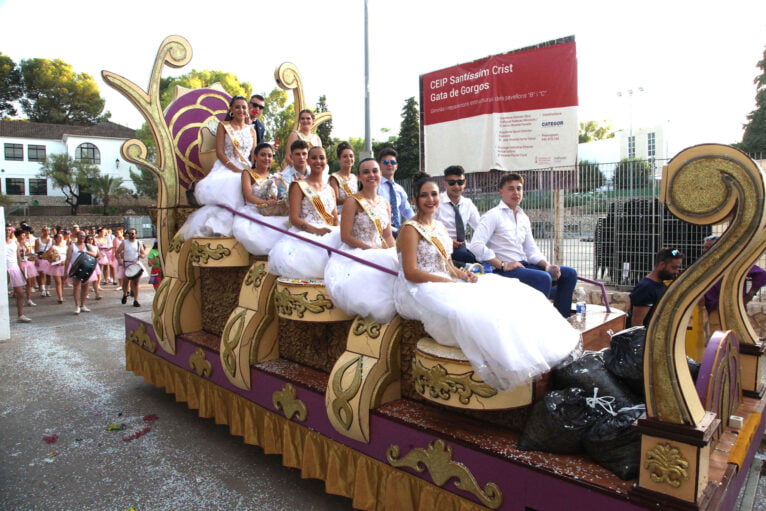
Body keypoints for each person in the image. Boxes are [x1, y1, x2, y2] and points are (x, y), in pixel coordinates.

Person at [394, 174, 580, 391]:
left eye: (434, 194)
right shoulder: (410, 229)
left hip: (446, 281)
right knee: (472, 311)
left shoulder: (440, 228)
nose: (430, 199)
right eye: (424, 195)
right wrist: (449, 281)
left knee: (514, 293)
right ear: (415, 200)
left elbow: (447, 265)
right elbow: (411, 272)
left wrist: (463, 275)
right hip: (421, 287)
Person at [469, 172, 578, 318]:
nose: (516, 192)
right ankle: (537, 324)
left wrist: (546, 265)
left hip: (523, 266)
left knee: (569, 274)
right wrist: (502, 265)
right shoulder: (492, 216)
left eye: (519, 188)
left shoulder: (523, 217)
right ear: (501, 192)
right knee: (543, 278)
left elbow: (531, 250)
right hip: (503, 270)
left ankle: (561, 319)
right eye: (511, 189)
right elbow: (476, 245)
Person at [324, 158, 398, 323]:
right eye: (366, 172)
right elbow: (346, 236)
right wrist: (372, 251)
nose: (371, 175)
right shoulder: (353, 201)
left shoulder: (384, 203)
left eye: (374, 171)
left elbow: (387, 236)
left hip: (379, 250)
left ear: (380, 174)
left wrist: (394, 253)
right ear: (359, 177)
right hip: (356, 252)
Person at [178, 95, 256, 238]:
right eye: (237, 107)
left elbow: (254, 155)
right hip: (226, 167)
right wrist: (236, 169)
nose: (241, 110)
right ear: (231, 109)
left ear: (247, 110)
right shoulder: (224, 126)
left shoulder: (252, 130)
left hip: (246, 167)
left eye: (244, 107)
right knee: (234, 184)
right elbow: (220, 153)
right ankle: (220, 227)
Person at [268, 146, 340, 279]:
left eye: (321, 158)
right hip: (306, 234)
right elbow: (294, 218)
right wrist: (317, 231)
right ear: (308, 160)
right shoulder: (298, 185)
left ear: (326, 160)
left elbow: (335, 218)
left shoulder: (330, 189)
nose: (318, 161)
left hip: (329, 233)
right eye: (314, 158)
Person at [232, 142, 291, 255]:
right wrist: (265, 203)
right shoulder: (248, 173)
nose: (267, 158)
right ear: (255, 157)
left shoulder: (274, 177)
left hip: (270, 211)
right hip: (253, 211)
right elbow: (249, 196)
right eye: (263, 155)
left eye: (270, 156)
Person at [701, 235, 766, 314]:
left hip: (730, 312)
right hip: (710, 311)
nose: (704, 250)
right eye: (704, 247)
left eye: (708, 247)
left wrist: (749, 296)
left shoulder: (732, 262)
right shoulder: (706, 265)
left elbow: (762, 274)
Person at [435, 165, 481, 266]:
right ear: (445, 184)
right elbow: (427, 229)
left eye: (460, 182)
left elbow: (480, 226)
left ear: (465, 183)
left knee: (482, 257)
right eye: (452, 183)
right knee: (468, 259)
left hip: (462, 247)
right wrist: (447, 241)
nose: (456, 186)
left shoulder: (468, 203)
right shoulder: (436, 202)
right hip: (441, 247)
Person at [628, 248, 684, 327]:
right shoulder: (646, 288)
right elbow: (637, 324)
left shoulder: (661, 285)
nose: (676, 272)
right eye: (674, 268)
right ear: (662, 265)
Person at [376, 148, 414, 236]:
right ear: (379, 165)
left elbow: (407, 211)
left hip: (398, 230)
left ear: (396, 166)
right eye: (385, 162)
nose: (389, 165)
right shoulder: (375, 186)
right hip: (381, 231)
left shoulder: (399, 189)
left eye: (392, 162)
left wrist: (416, 226)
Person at [66, 231, 100, 315]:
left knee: (85, 286)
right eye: (81, 236)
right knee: (76, 287)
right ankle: (77, 306)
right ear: (77, 236)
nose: (82, 237)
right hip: (76, 268)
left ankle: (83, 305)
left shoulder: (87, 246)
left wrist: (85, 252)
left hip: (86, 268)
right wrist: (65, 271)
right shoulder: (72, 246)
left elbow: (95, 254)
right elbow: (68, 259)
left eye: (84, 236)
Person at [116, 228, 147, 307]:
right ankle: (125, 294)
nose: (131, 235)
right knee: (126, 282)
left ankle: (136, 300)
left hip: (135, 264)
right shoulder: (124, 243)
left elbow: (143, 254)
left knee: (136, 283)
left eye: (133, 233)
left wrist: (141, 255)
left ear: (136, 234)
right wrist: (119, 260)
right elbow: (117, 252)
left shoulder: (138, 243)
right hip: (126, 264)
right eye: (129, 233)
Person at [6, 226, 31, 322]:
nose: (8, 231)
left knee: (20, 293)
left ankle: (20, 315)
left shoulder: (14, 242)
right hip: (4, 269)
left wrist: (21, 270)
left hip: (14, 268)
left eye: (9, 230)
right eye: (6, 230)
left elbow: (18, 257)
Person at [328, 142, 358, 214]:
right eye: (345, 156)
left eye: (351, 156)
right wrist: (354, 200)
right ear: (339, 159)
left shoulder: (355, 177)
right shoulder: (334, 178)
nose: (349, 159)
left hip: (355, 213)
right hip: (340, 214)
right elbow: (335, 200)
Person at [45, 232, 68, 303]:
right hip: (56, 266)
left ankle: (61, 294)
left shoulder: (66, 247)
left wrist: (65, 262)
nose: (61, 239)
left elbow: (69, 256)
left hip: (64, 265)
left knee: (63, 282)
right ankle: (60, 297)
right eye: (59, 237)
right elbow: (46, 257)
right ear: (55, 239)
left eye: (62, 237)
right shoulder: (53, 247)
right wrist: (53, 261)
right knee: (58, 282)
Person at [35, 226, 53, 297]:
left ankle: (47, 289)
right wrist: (36, 259)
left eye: (47, 231)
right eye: (44, 230)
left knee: (48, 275)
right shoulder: (38, 240)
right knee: (41, 274)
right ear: (42, 231)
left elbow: (52, 249)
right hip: (41, 257)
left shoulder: (51, 240)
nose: (46, 232)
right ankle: (42, 290)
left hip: (48, 258)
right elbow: (36, 250)